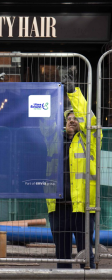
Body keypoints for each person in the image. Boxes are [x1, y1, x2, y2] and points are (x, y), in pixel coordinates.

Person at [46, 73, 102, 269]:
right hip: (58, 205)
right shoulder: (54, 140)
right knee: (62, 255)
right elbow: (43, 124)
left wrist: (73, 92)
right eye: (69, 118)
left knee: (85, 253)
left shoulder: (90, 141)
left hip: (82, 206)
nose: (72, 120)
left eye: (76, 118)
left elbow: (90, 118)